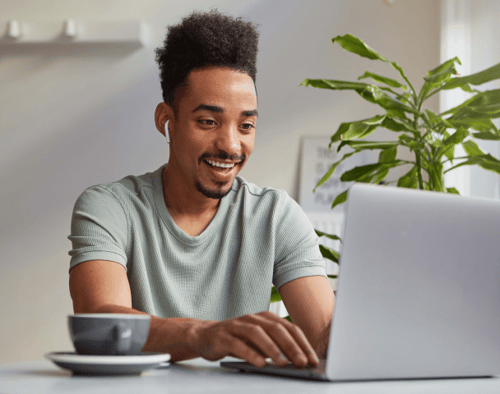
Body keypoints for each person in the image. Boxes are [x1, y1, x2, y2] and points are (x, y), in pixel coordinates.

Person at [68, 9, 334, 368]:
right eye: (208, 122)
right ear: (167, 120)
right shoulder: (109, 208)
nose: (231, 146)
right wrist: (204, 336)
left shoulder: (275, 216)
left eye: (246, 125)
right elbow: (101, 323)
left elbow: (324, 338)